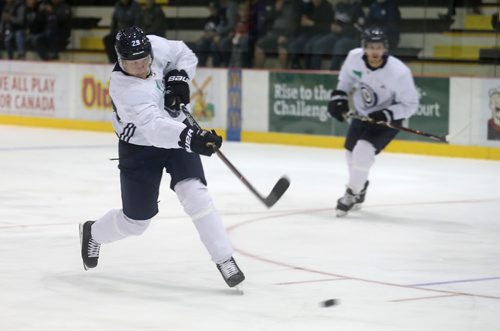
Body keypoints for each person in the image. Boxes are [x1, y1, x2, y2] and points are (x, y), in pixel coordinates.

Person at [79, 26, 245, 288]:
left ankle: (224, 258)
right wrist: (194, 139)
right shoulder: (125, 89)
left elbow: (184, 54)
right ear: (120, 61)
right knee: (136, 222)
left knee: (196, 194)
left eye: (145, 60)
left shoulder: (153, 46)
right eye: (133, 64)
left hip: (177, 134)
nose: (141, 66)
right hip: (140, 148)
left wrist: (179, 77)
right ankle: (93, 232)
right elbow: (155, 129)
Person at [327, 27, 419, 217]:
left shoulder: (399, 72)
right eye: (370, 47)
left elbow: (410, 104)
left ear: (385, 48)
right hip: (362, 114)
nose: (375, 51)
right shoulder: (354, 57)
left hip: (388, 120)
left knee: (363, 150)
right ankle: (361, 186)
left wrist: (386, 114)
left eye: (378, 47)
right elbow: (345, 79)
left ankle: (351, 193)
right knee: (351, 154)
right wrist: (339, 97)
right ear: (364, 48)